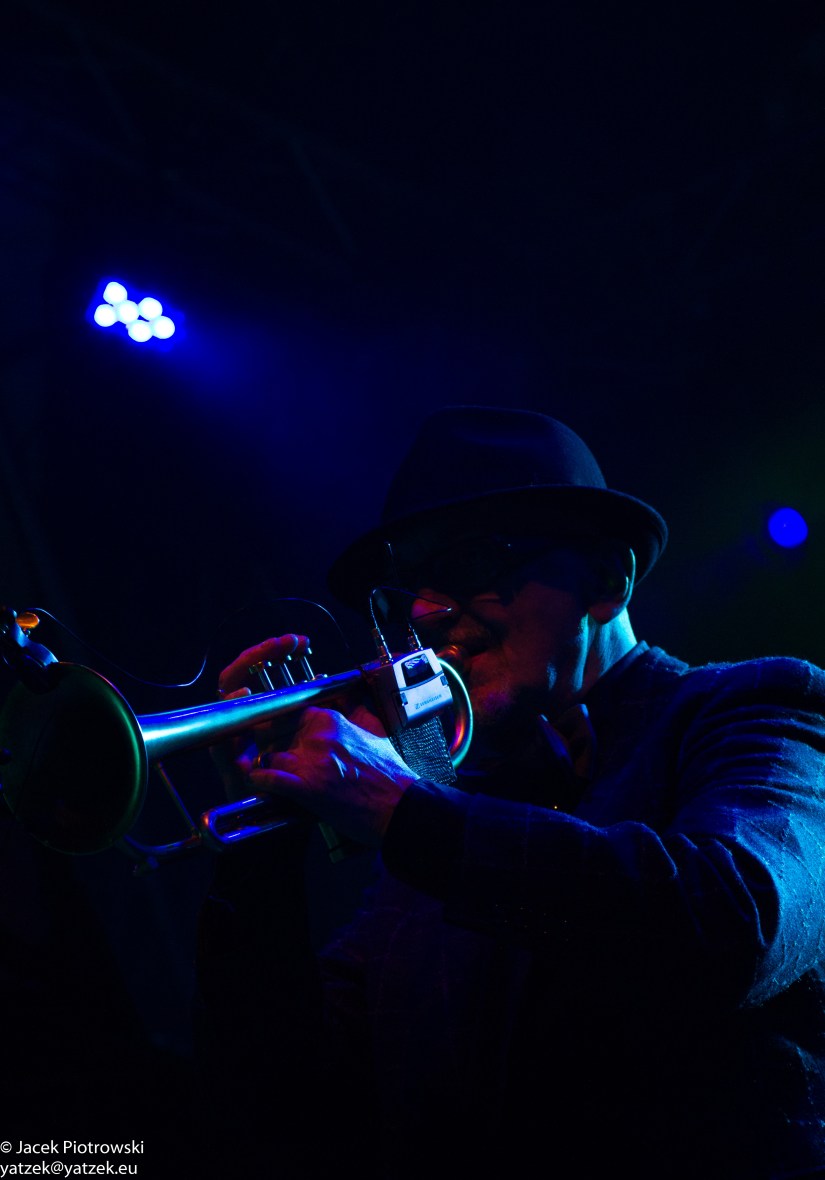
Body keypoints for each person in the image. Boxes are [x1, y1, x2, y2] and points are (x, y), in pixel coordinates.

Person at [195, 405, 825, 1180]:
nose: (424, 614)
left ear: (606, 576)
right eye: (405, 592)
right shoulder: (445, 817)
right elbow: (284, 1110)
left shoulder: (754, 707)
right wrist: (265, 836)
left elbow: (737, 925)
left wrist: (398, 806)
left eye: (471, 564)